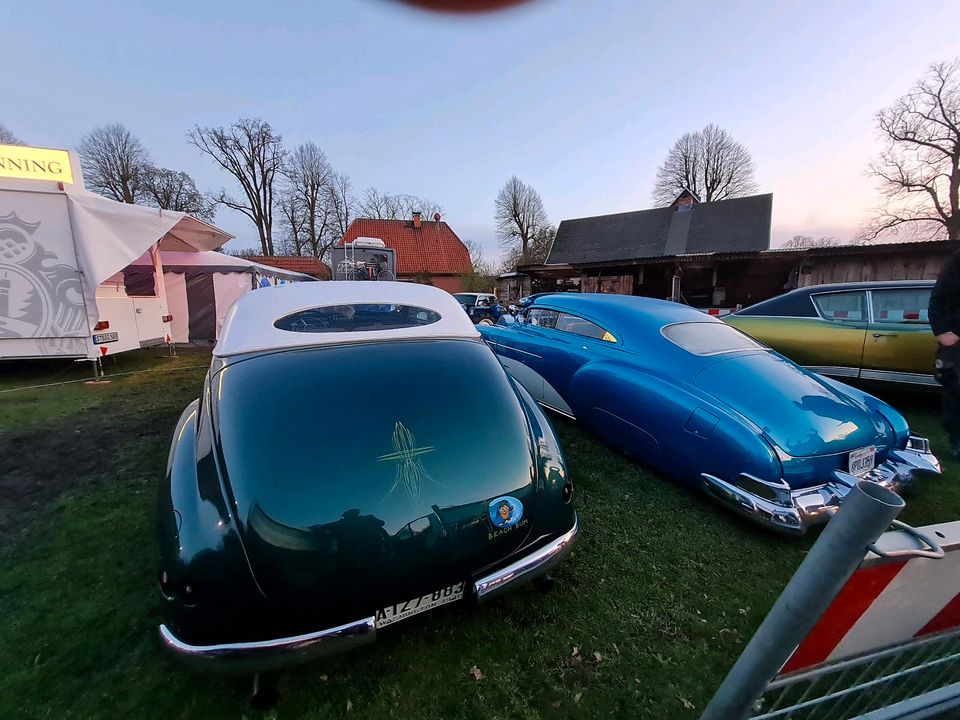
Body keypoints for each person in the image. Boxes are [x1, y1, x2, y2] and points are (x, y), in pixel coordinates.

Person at [929, 252, 960, 458]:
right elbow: (938, 300)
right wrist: (942, 331)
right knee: (956, 392)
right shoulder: (957, 261)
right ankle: (957, 442)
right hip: (957, 339)